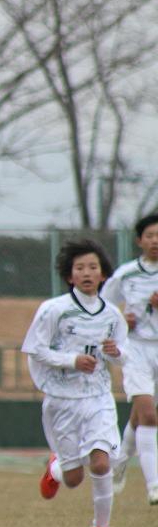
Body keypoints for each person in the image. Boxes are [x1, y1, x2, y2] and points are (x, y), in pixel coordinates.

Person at [23, 239, 126, 527]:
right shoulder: (54, 310)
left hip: (98, 398)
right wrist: (71, 360)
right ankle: (55, 469)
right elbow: (34, 349)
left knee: (101, 461)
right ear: (69, 276)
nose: (87, 273)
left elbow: (124, 356)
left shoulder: (112, 315)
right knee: (73, 478)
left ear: (103, 274)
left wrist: (115, 351)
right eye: (79, 268)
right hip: (61, 401)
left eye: (93, 267)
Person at [100, 213, 158, 503]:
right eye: (150, 235)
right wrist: (123, 320)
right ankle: (154, 486)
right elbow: (102, 308)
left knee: (140, 416)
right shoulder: (126, 273)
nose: (155, 241)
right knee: (148, 413)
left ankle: (121, 460)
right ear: (139, 240)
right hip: (136, 350)